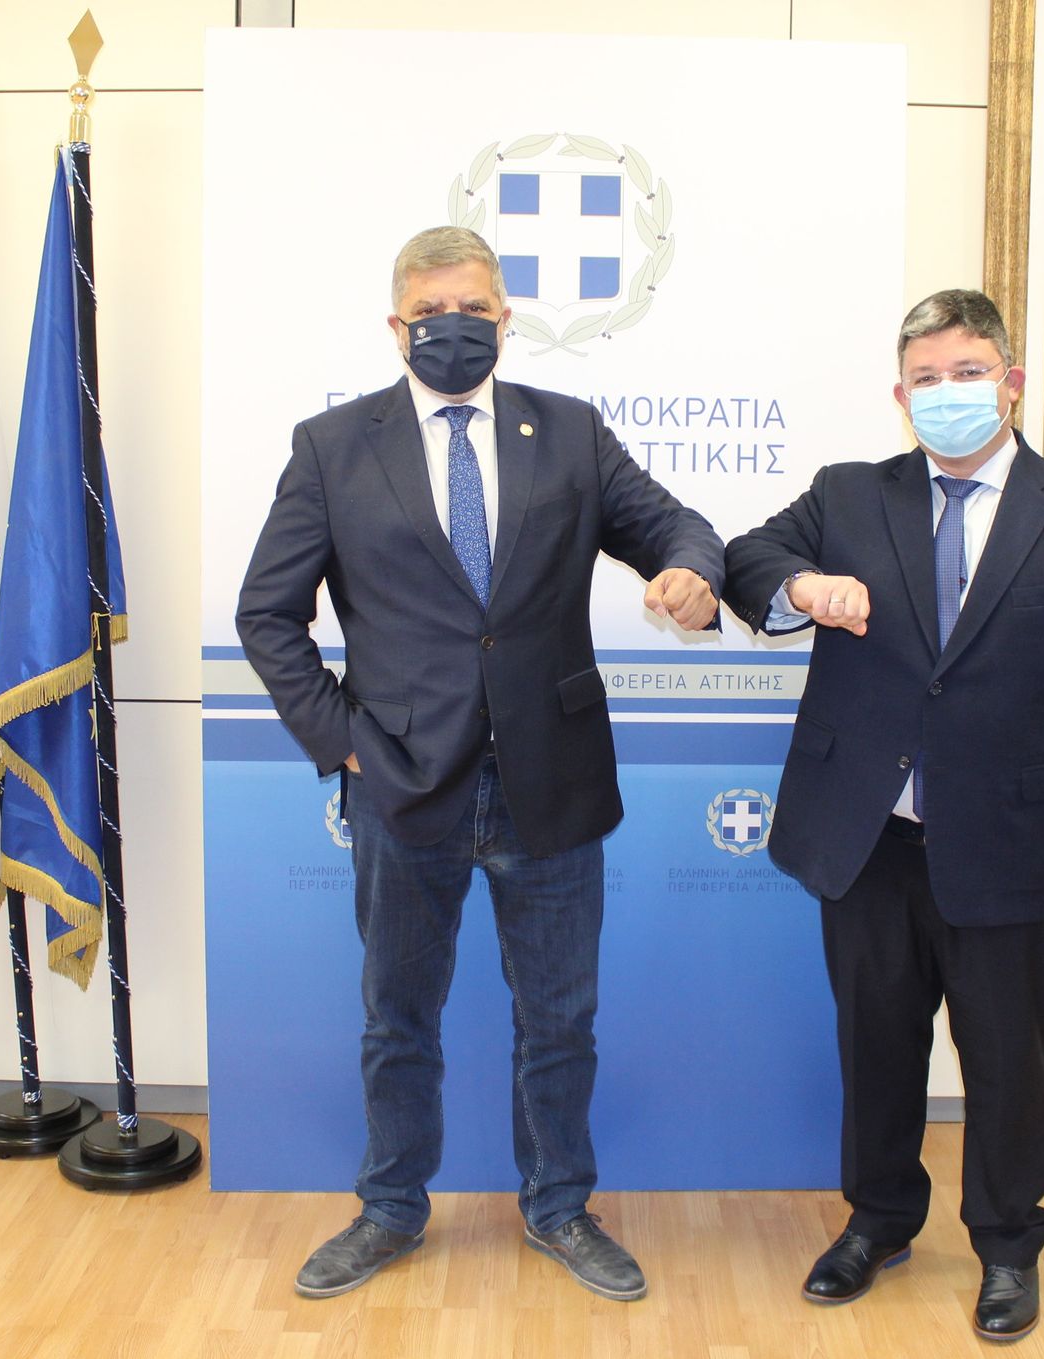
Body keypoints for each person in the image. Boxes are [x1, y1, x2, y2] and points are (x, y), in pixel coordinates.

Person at [237, 226, 724, 1303]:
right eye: (429, 314)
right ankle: (389, 1208)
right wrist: (343, 743)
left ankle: (559, 1207)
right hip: (400, 786)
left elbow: (675, 528)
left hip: (551, 779)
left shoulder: (569, 432)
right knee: (396, 1020)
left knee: (559, 1021)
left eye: (472, 311)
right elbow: (266, 613)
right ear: (396, 325)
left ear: (505, 320)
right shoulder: (332, 446)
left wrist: (691, 571)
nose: (450, 328)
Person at [723, 289, 1044, 1341]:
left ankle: (1008, 1244)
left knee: (1008, 1058)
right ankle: (878, 1220)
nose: (947, 392)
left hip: (1018, 843)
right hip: (867, 839)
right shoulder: (848, 494)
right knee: (876, 1045)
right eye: (926, 378)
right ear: (899, 395)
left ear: (1010, 383)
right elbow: (747, 560)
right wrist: (804, 588)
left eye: (967, 372)